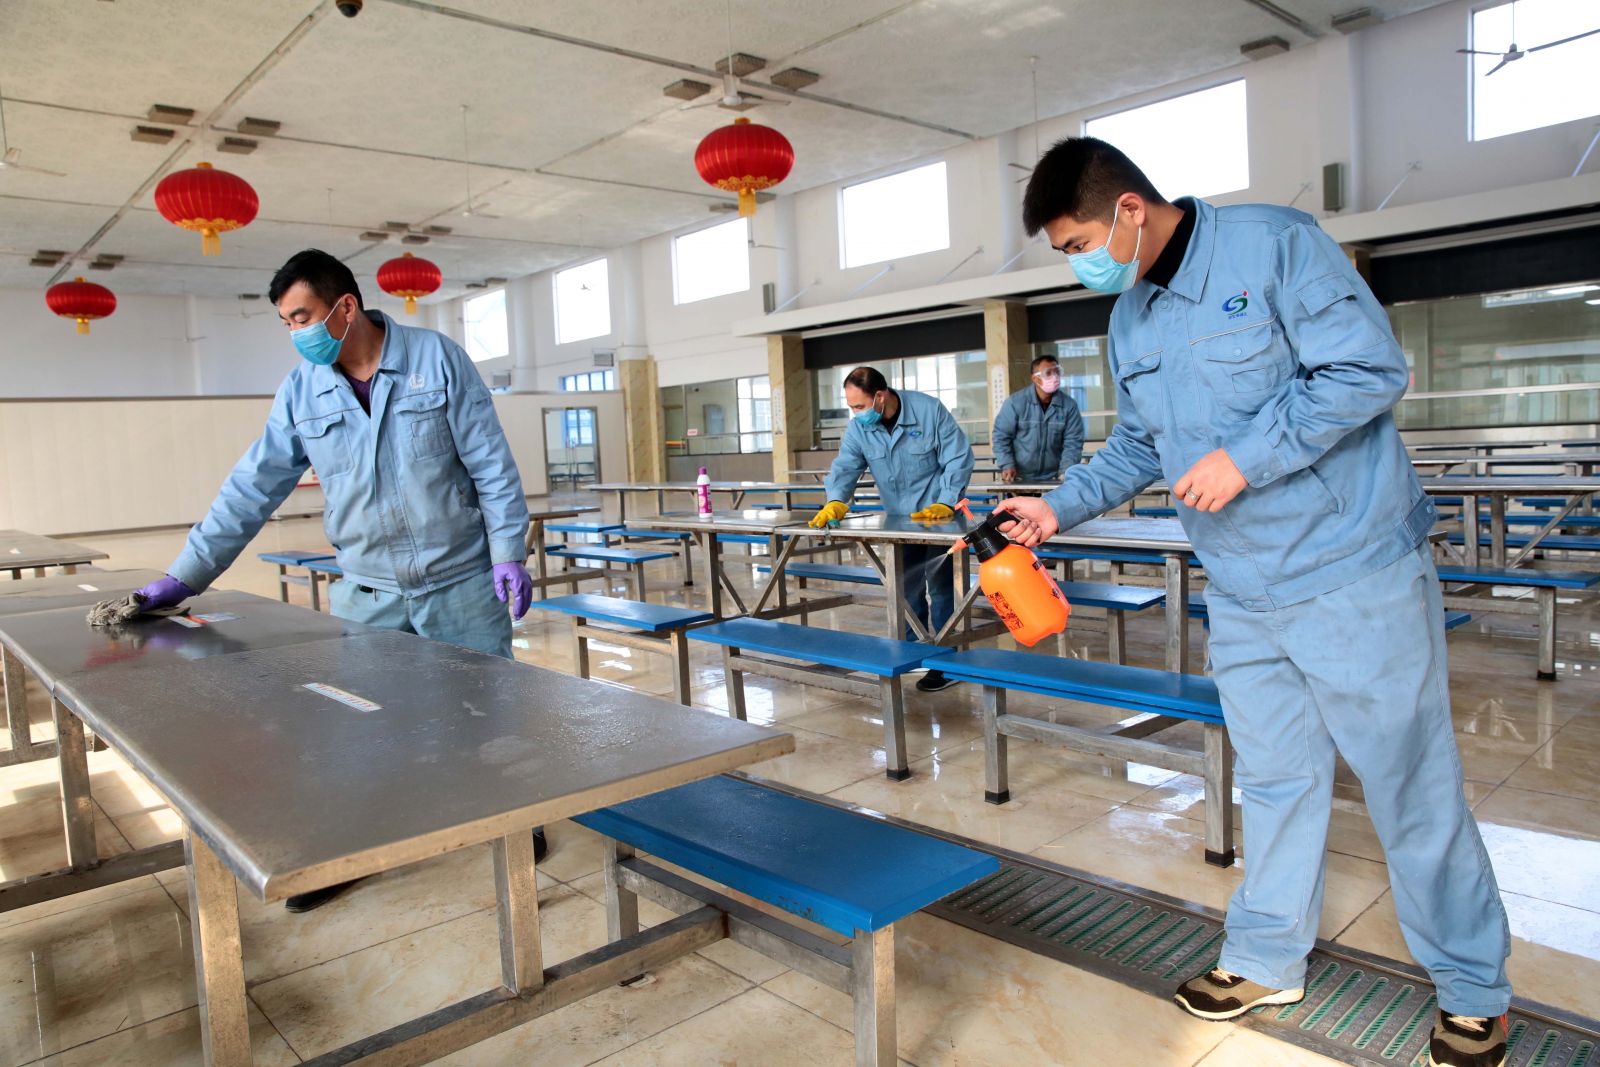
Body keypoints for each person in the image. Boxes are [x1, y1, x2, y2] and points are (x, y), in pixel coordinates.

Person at [994, 138, 1510, 1067]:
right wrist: (1056, 506)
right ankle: (1268, 956)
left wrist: (1249, 455)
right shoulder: (1131, 318)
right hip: (1240, 589)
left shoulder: (1274, 246)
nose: (1079, 266)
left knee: (1409, 780)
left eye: (1078, 245)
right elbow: (1140, 446)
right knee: (1273, 777)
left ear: (1129, 211)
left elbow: (1367, 370)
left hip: (1351, 570)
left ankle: (1473, 987)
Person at [124, 249, 542, 911]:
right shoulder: (302, 390)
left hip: (459, 581)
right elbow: (252, 487)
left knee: (487, 713)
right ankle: (352, 847)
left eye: (303, 317)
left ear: (345, 307)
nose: (296, 333)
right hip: (367, 590)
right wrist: (185, 575)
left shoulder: (436, 360)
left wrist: (507, 552)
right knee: (358, 727)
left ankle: (518, 823)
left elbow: (491, 464)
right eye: (287, 323)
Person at [809, 366, 974, 692]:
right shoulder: (859, 428)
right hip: (899, 521)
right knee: (906, 587)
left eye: (859, 406)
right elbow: (846, 466)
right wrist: (836, 500)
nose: (856, 413)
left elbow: (958, 457)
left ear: (880, 396)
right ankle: (915, 653)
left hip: (940, 518)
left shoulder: (928, 411)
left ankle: (948, 661)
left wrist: (947, 501)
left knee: (942, 588)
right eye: (851, 407)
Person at [992, 353, 1085, 484]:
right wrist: (1007, 464)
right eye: (1048, 373)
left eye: (1057, 372)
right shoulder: (1016, 403)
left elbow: (1073, 442)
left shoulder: (1069, 406)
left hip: (1055, 477)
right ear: (1035, 379)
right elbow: (1001, 436)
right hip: (1019, 477)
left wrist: (1066, 471)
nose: (1055, 376)